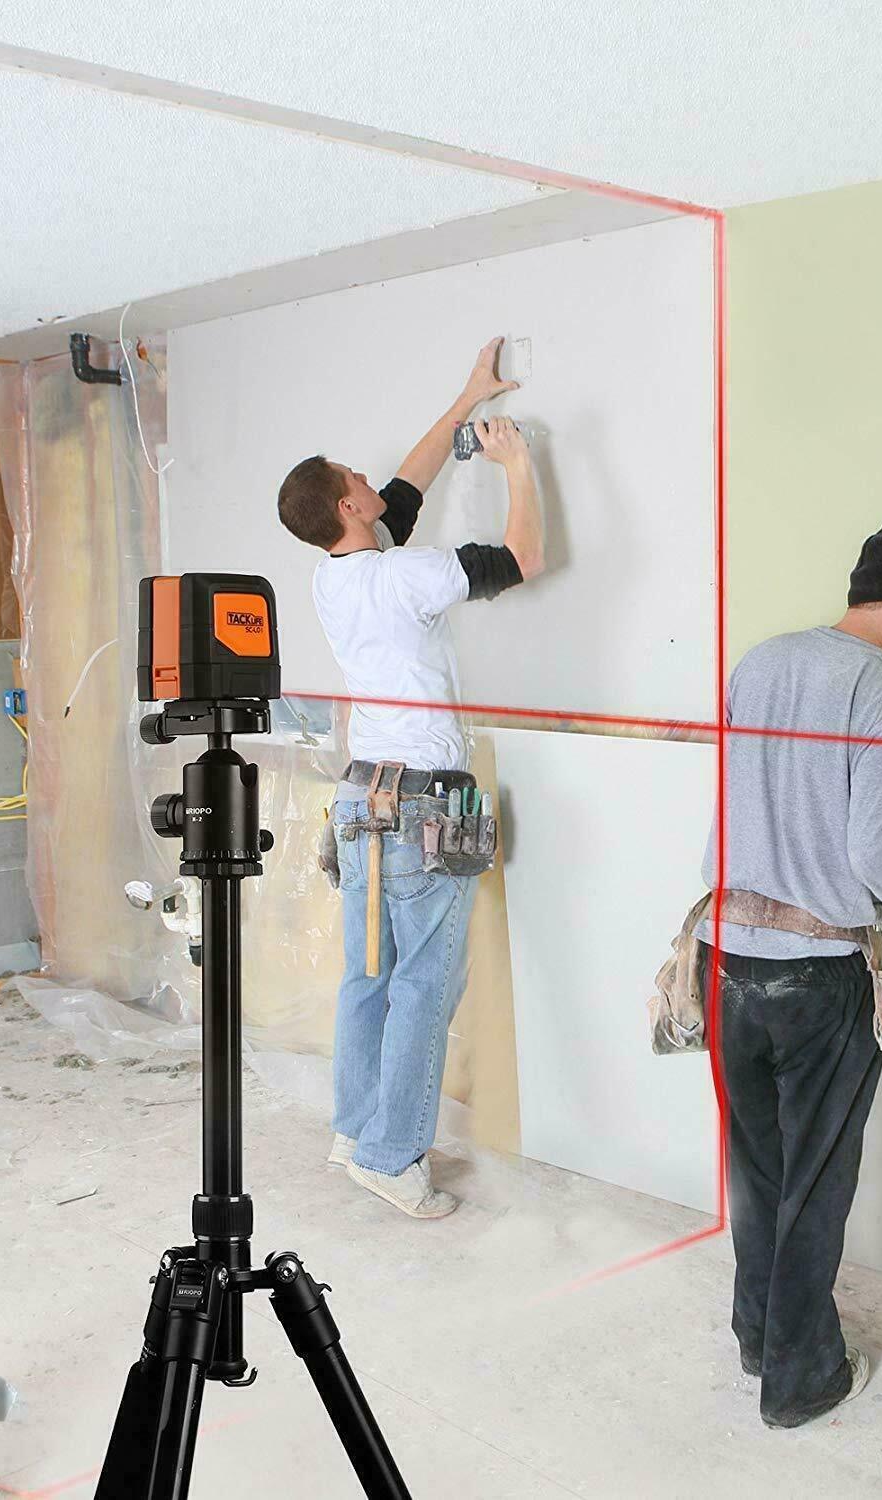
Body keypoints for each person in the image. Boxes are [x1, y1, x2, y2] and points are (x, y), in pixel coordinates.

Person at [699, 517, 882, 1427]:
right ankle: (802, 1381)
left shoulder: (759, 664)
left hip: (723, 955)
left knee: (758, 1170)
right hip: (819, 974)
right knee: (816, 1185)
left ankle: (759, 1340)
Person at [276, 338, 543, 1219]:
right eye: (358, 478)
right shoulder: (407, 576)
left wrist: (469, 396)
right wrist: (517, 464)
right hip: (423, 803)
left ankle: (357, 1131)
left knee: (369, 976)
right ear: (348, 506)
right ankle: (392, 1159)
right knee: (425, 985)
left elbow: (406, 488)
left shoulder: (333, 579)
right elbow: (523, 560)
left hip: (362, 800)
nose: (373, 479)